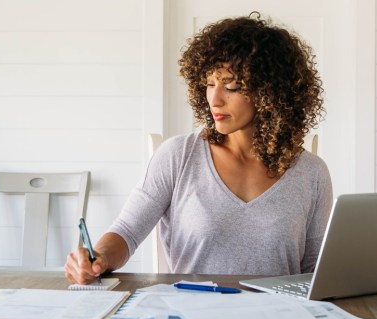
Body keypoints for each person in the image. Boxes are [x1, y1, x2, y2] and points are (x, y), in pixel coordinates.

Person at [65, 12, 333, 285]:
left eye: (232, 86)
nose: (214, 100)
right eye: (209, 84)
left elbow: (315, 271)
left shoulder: (311, 173)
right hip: (192, 318)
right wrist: (97, 257)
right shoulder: (178, 155)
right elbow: (126, 232)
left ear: (271, 93)